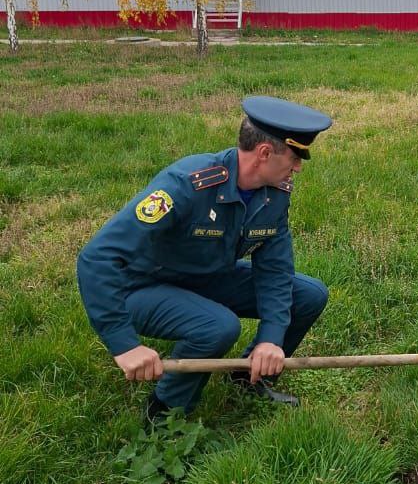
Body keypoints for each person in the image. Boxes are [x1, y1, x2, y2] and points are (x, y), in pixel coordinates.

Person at [77, 96, 332, 425]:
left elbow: (275, 269)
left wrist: (271, 337)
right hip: (143, 287)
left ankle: (250, 377)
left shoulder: (275, 192)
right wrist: (124, 345)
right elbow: (97, 257)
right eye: (296, 156)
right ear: (265, 153)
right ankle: (165, 412)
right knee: (219, 327)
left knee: (309, 295)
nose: (298, 167)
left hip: (207, 278)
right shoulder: (187, 184)